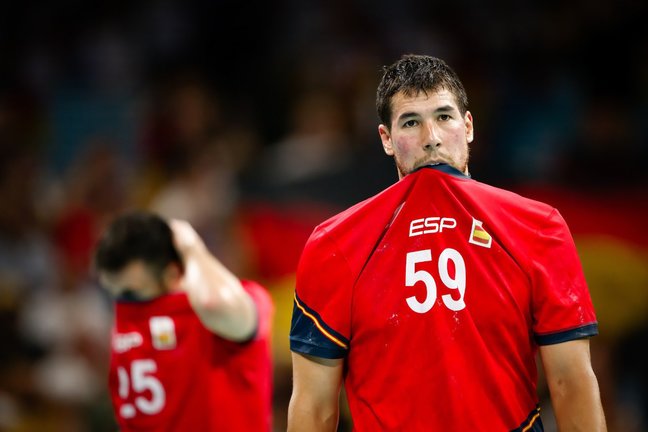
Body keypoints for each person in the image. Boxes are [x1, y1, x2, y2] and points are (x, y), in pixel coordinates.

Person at [288, 54, 606, 431]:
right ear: (386, 139)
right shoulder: (334, 246)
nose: (431, 139)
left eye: (443, 116)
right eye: (411, 122)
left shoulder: (538, 227)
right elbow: (314, 407)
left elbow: (572, 383)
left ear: (468, 126)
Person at [94, 211, 273, 431]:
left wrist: (192, 249)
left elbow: (212, 302)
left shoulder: (239, 303)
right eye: (113, 293)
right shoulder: (126, 316)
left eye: (132, 294)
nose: (124, 306)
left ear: (173, 275)